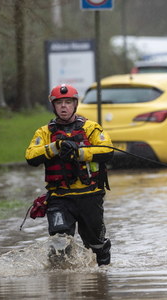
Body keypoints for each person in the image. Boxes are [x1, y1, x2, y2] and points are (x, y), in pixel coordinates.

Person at [25, 84, 114, 266]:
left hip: (90, 196)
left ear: (75, 104)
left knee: (96, 245)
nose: (63, 106)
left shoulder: (91, 127)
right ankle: (62, 283)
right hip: (60, 198)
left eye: (68, 102)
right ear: (53, 106)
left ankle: (102, 279)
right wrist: (55, 147)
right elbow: (31, 156)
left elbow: (107, 151)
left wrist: (80, 152)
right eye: (59, 103)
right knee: (59, 244)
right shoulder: (44, 132)